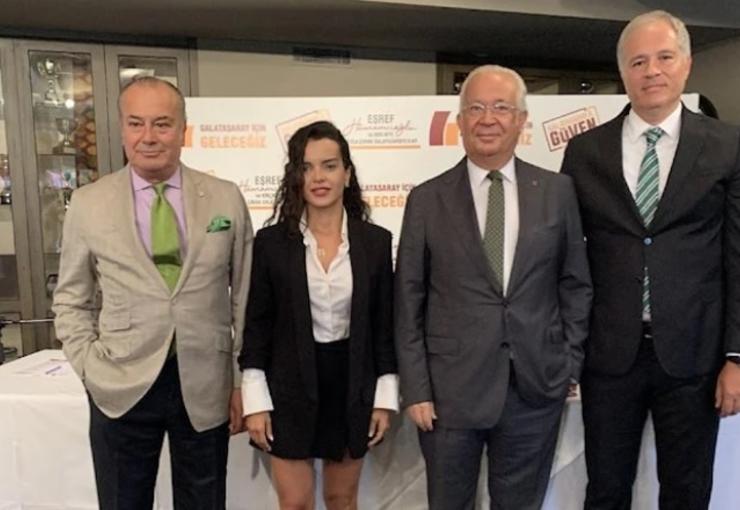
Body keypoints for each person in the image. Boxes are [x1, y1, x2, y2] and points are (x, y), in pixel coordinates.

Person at [561, 10, 740, 509]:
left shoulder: (727, 146)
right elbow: (568, 259)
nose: (652, 71)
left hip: (695, 356)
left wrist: (736, 357)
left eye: (664, 57)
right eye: (638, 61)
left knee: (687, 492)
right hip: (608, 355)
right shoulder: (585, 152)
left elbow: (737, 256)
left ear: (686, 64)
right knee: (605, 491)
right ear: (623, 72)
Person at [394, 64, 592, 510]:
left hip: (534, 388)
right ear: (459, 120)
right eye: (476, 108)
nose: (488, 119)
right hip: (448, 394)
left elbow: (575, 284)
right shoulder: (426, 199)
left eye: (501, 108)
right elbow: (408, 299)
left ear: (521, 120)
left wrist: (568, 363)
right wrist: (417, 388)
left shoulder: (558, 191)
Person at [52, 76, 253, 509]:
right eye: (136, 123)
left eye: (162, 124)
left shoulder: (225, 199)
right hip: (119, 383)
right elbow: (70, 298)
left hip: (205, 384)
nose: (148, 137)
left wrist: (241, 382)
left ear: (183, 130)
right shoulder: (89, 203)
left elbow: (245, 299)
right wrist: (88, 366)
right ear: (122, 129)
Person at [238, 120, 398, 510]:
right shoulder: (271, 244)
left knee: (342, 499)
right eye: (306, 167)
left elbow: (383, 328)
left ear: (347, 173)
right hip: (288, 386)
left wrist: (384, 398)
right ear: (295, 176)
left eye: (329, 166)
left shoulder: (375, 243)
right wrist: (255, 401)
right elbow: (257, 327)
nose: (318, 177)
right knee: (295, 502)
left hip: (351, 385)